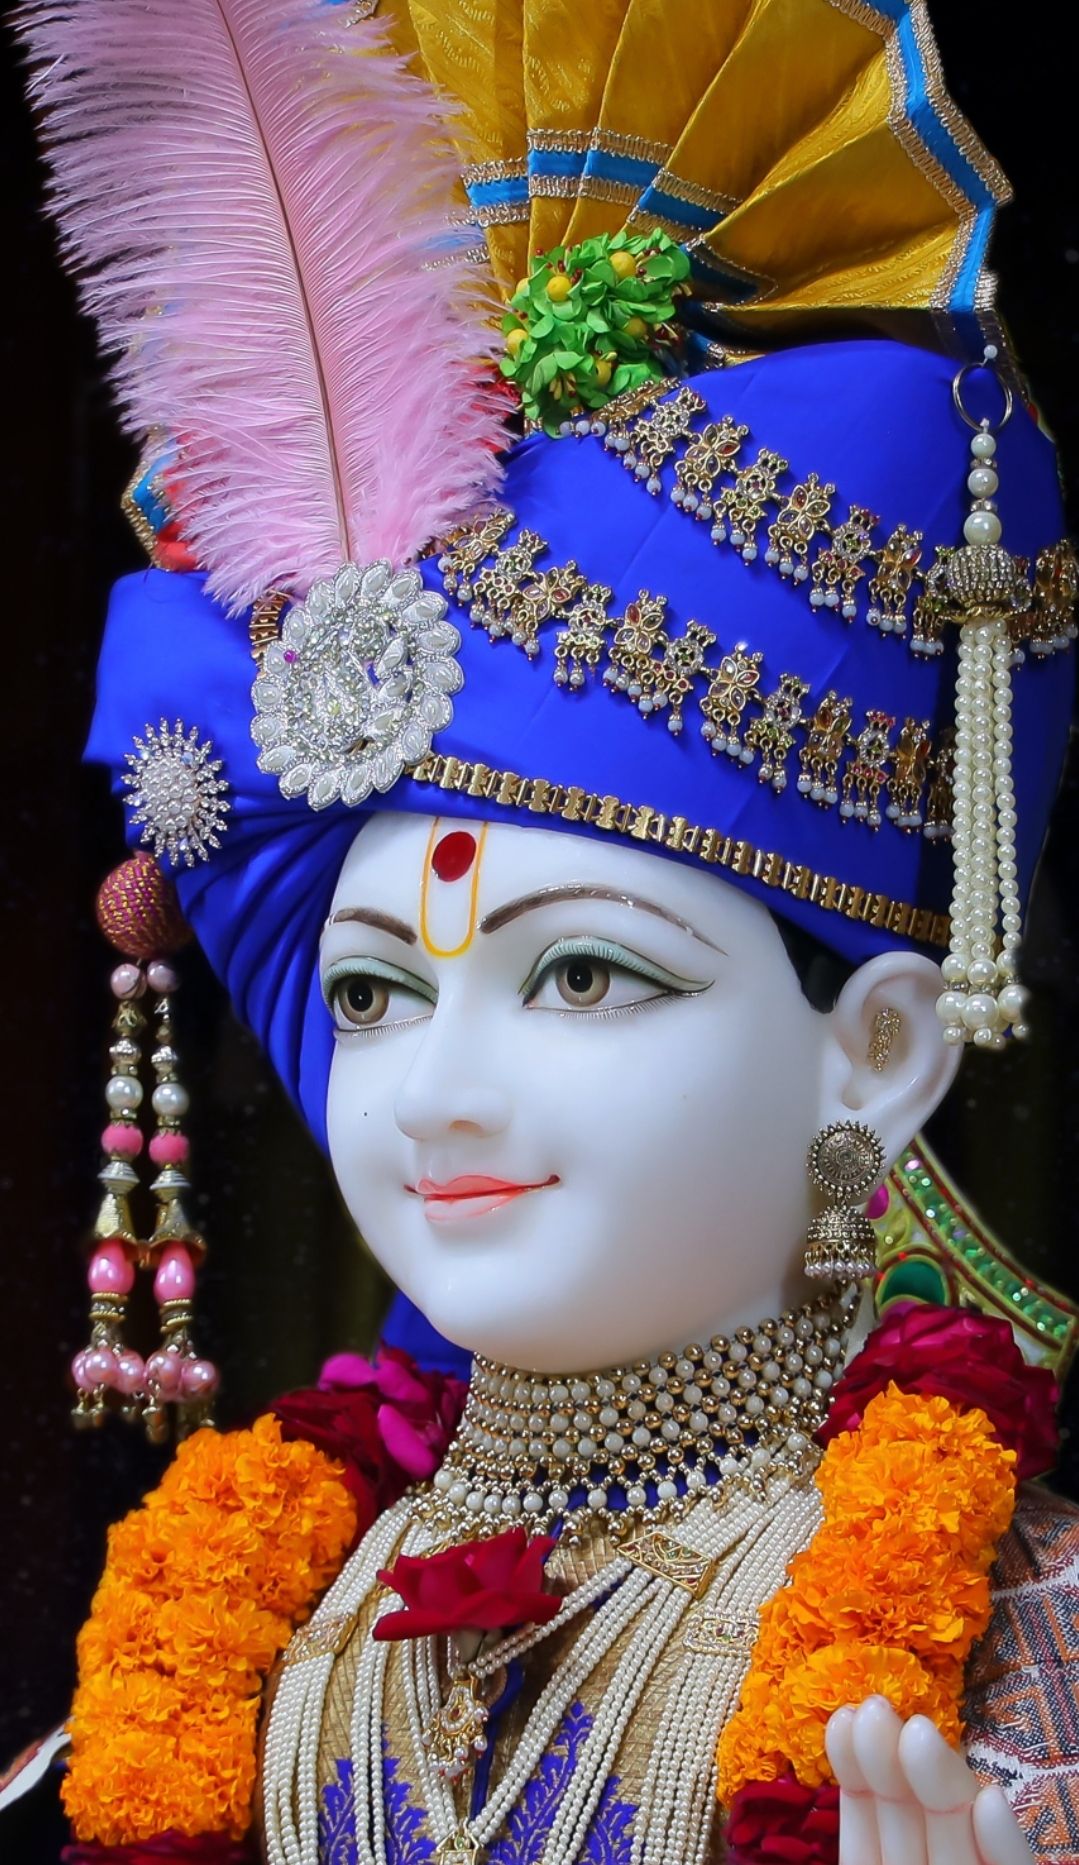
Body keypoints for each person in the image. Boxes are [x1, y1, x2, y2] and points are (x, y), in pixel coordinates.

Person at [11, 1, 1079, 1861]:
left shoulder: (1021, 1670)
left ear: (879, 1049)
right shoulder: (214, 1657)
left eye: (582, 973)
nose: (440, 1090)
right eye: (372, 993)